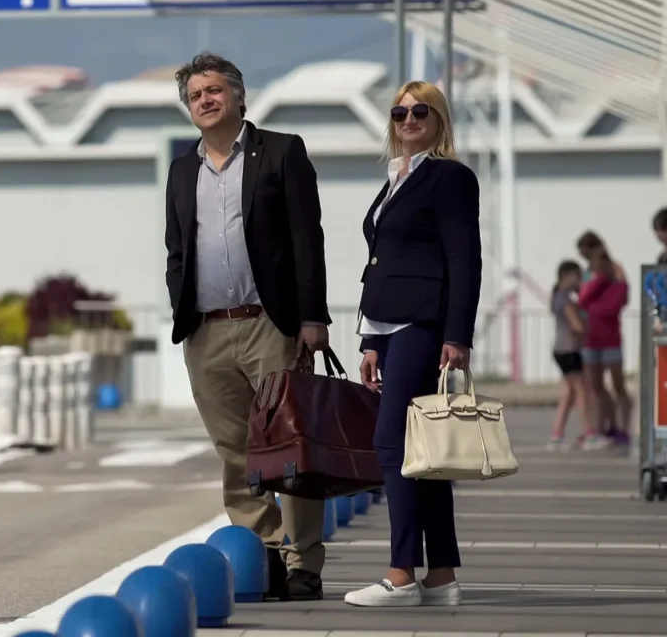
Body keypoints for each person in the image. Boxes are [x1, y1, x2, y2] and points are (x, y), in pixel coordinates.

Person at [164, 52, 332, 601]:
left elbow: (308, 240)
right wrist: (181, 309)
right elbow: (176, 250)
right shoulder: (182, 169)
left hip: (271, 323)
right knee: (236, 453)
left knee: (288, 446)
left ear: (238, 95)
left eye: (214, 90)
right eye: (195, 95)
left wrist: (313, 317)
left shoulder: (282, 151)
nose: (205, 100)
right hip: (206, 331)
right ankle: (261, 558)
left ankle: (303, 561)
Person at [345, 81, 481, 608]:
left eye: (420, 111)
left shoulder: (449, 178)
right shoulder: (395, 179)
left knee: (391, 443)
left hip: (424, 325)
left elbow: (464, 260)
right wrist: (371, 339)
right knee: (422, 451)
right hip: (391, 326)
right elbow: (385, 263)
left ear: (439, 119)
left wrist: (457, 336)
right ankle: (442, 575)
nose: (408, 119)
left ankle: (400, 575)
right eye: (399, 112)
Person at [575, 231, 631, 449]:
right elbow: (583, 299)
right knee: (595, 386)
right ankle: (602, 427)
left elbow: (619, 299)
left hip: (610, 337)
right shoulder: (590, 273)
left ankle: (622, 427)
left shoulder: (614, 270)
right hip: (591, 336)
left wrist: (601, 282)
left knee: (618, 384)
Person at [548, 260, 588, 451]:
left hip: (560, 349)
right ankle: (589, 433)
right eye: (578, 276)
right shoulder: (566, 300)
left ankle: (557, 434)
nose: (580, 281)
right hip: (569, 349)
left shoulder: (557, 296)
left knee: (569, 392)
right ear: (567, 275)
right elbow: (577, 326)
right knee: (580, 391)